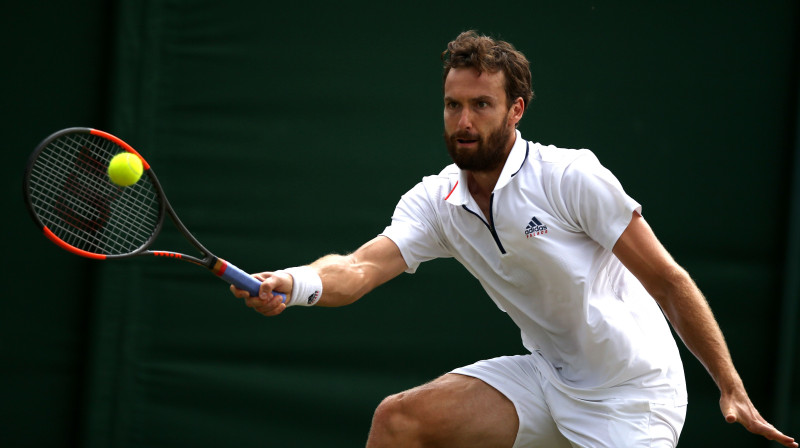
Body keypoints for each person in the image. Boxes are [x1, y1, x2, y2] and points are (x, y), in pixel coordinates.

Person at [231, 30, 797, 447]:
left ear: (515, 110)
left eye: (481, 105)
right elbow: (357, 271)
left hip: (634, 397)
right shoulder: (437, 200)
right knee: (399, 422)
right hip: (547, 380)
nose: (464, 122)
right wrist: (294, 282)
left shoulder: (571, 177)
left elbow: (669, 281)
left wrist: (730, 385)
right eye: (454, 105)